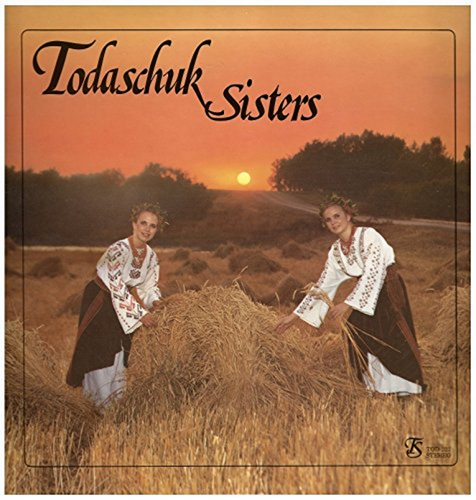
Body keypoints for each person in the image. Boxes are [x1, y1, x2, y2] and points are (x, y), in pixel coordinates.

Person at [275, 195, 425, 396]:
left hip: (388, 289)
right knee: (355, 332)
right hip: (367, 294)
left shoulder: (369, 236)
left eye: (337, 216)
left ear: (348, 215)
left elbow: (373, 273)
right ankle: (379, 385)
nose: (333, 222)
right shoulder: (336, 252)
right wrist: (293, 317)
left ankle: (408, 388)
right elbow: (323, 285)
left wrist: (347, 304)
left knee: (393, 335)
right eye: (328, 219)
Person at [66, 202, 165, 409]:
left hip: (124, 303)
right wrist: (140, 314)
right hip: (102, 300)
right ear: (134, 224)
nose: (147, 229)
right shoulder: (118, 249)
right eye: (143, 223)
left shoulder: (151, 256)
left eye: (153, 226)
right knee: (101, 349)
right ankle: (99, 403)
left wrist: (154, 301)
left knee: (119, 349)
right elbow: (116, 286)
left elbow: (149, 286)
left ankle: (113, 401)